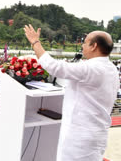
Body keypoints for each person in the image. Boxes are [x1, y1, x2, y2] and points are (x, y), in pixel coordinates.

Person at [24, 25, 119, 161]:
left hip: (80, 138)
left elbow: (54, 67)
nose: (82, 46)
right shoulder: (110, 68)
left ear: (94, 46)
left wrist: (35, 42)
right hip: (95, 133)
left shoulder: (92, 68)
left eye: (85, 43)